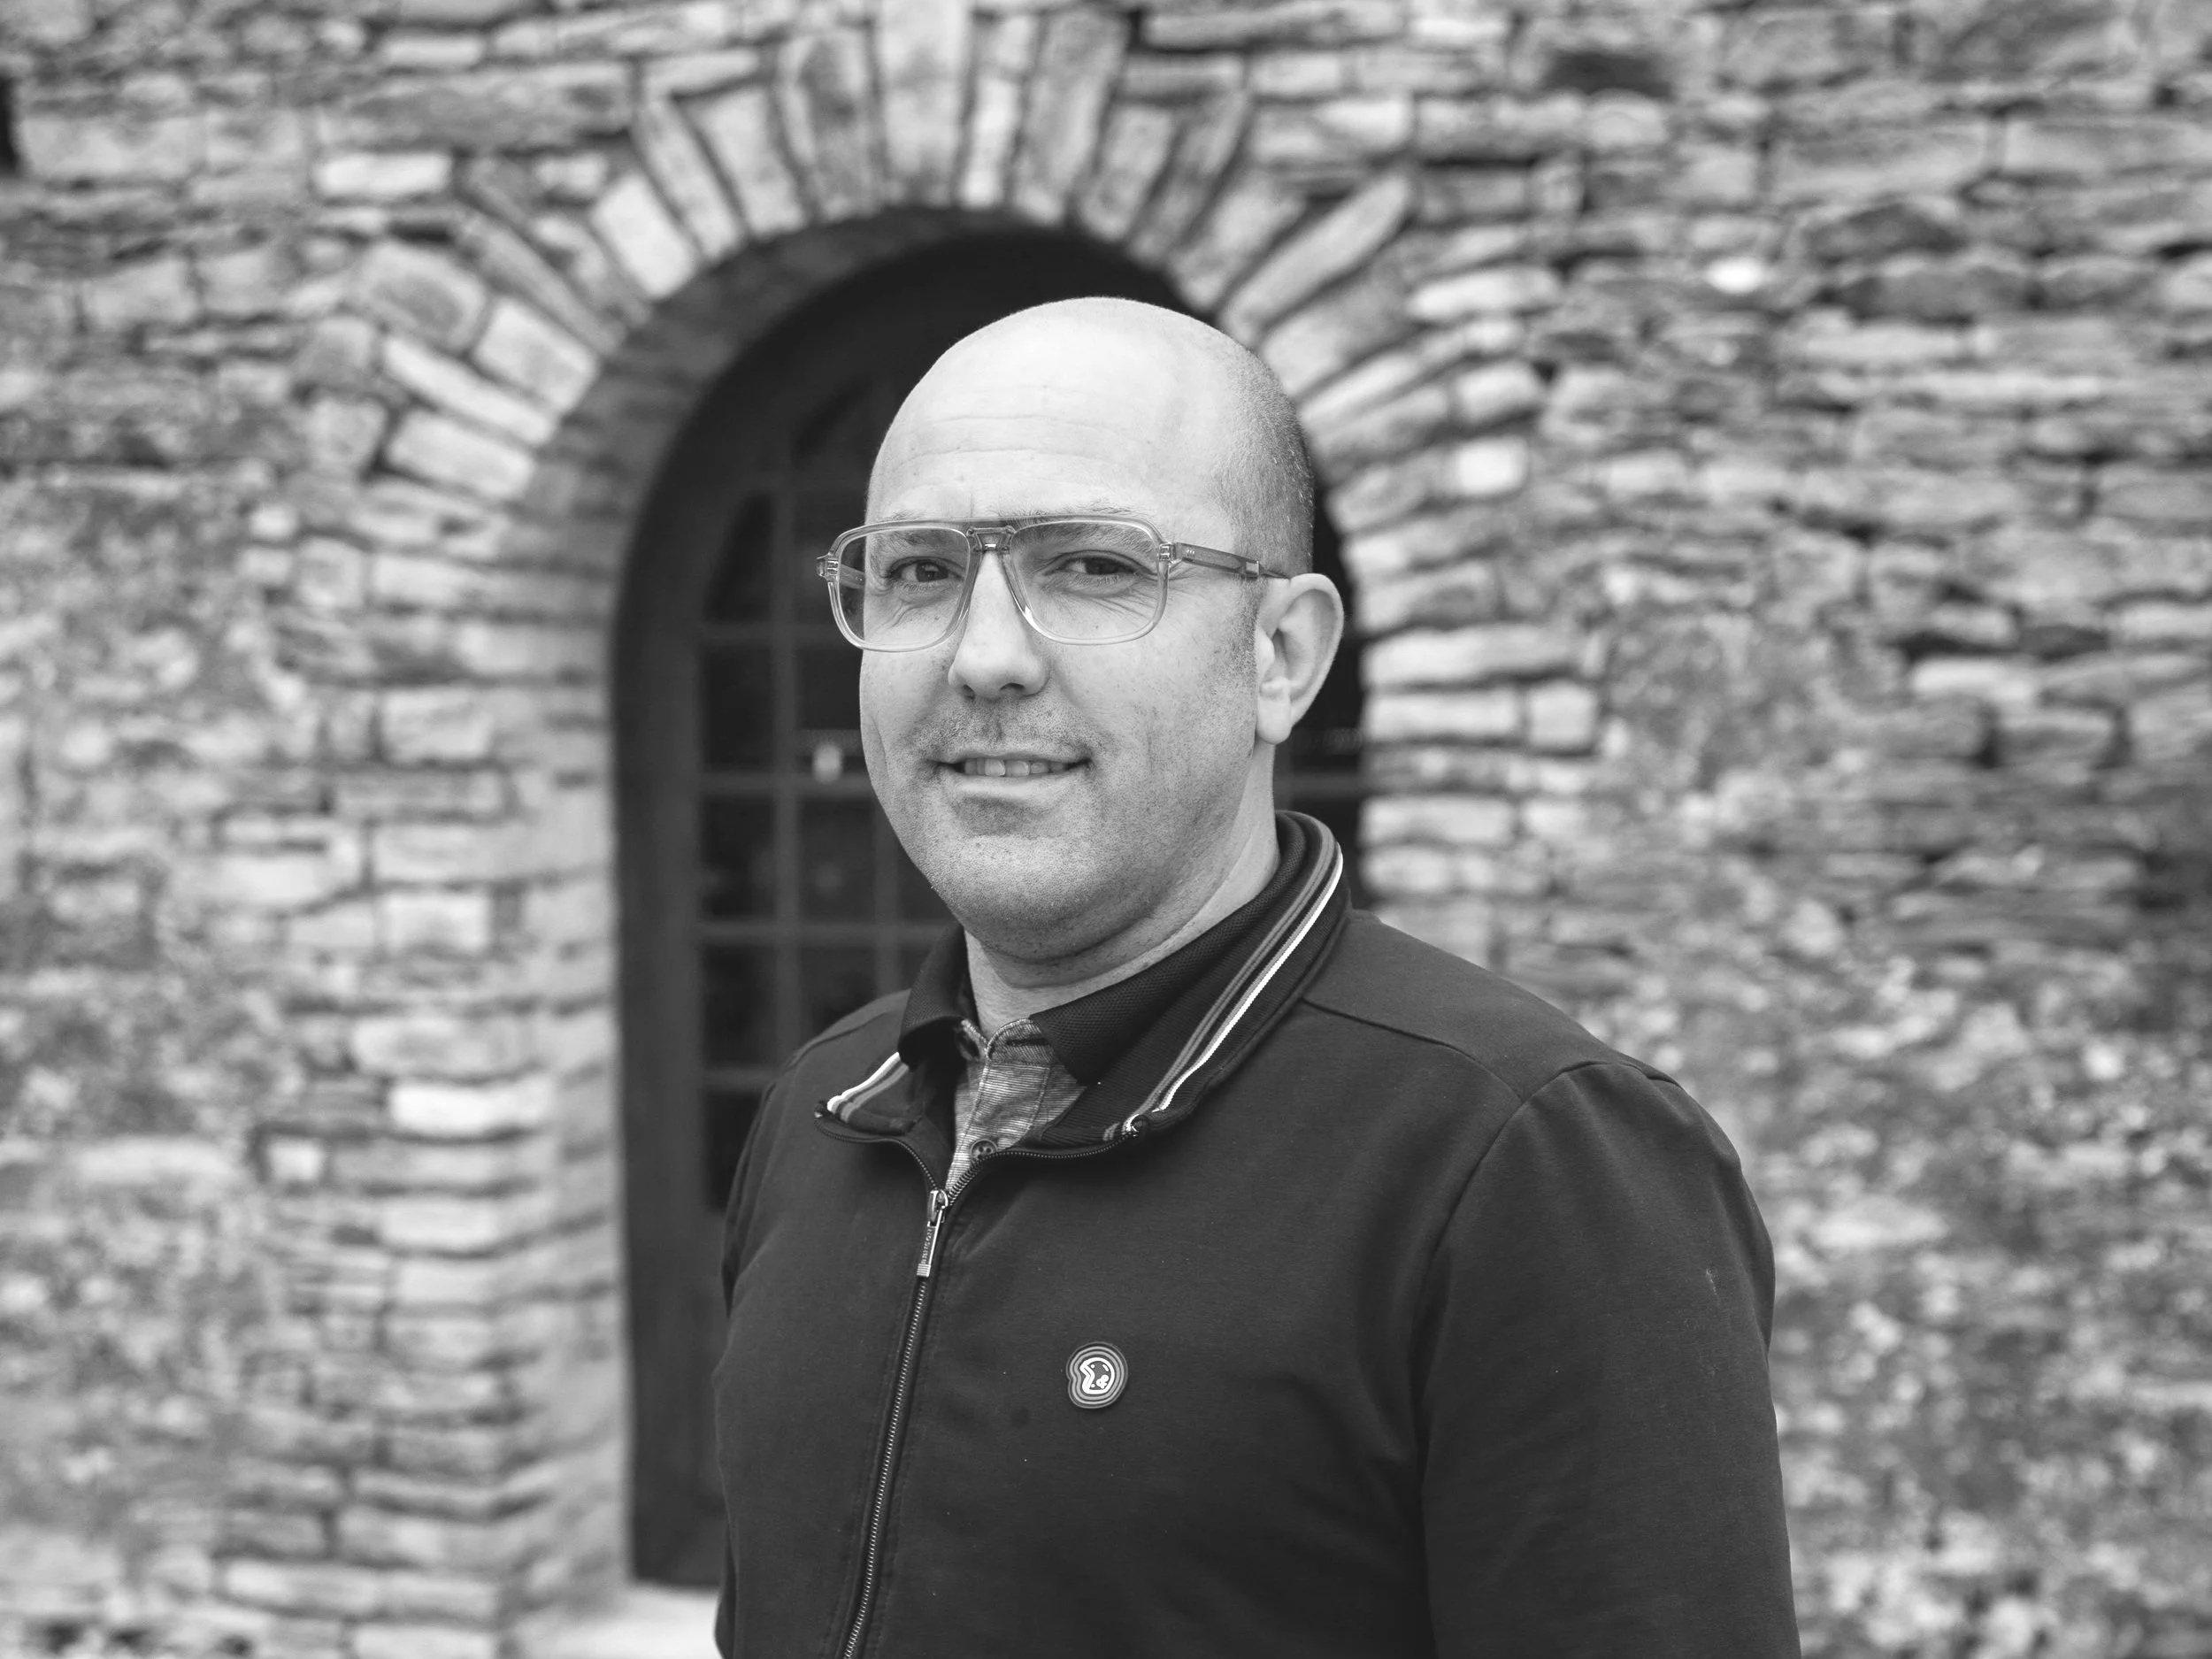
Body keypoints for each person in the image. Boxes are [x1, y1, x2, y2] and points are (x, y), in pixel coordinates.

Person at [710, 297, 1801, 1658]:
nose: (984, 655)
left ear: (1281, 654)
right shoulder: (827, 1112)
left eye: (1093, 565)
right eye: (920, 571)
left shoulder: (1525, 1163)